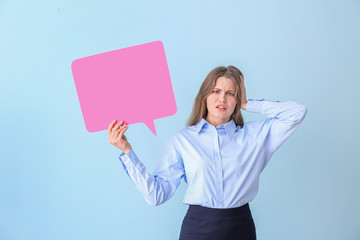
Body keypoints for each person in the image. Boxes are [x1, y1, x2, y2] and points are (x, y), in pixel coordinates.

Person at [108, 66, 307, 240]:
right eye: (216, 91)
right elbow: (156, 196)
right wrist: (127, 151)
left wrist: (248, 103)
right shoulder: (183, 140)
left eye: (231, 93)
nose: (222, 98)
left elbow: (297, 112)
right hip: (197, 229)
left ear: (237, 100)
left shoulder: (256, 136)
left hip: (240, 228)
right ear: (205, 96)